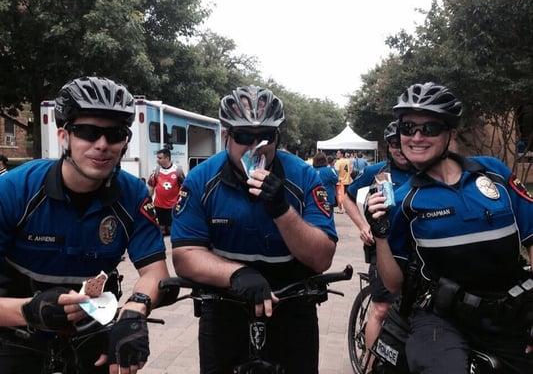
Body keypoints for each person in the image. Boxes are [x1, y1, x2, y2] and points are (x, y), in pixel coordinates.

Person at [0, 76, 170, 374]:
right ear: (64, 136)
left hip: (91, 334)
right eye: (88, 132)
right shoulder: (15, 190)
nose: (102, 145)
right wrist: (29, 310)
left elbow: (155, 272)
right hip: (16, 335)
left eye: (115, 134)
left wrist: (134, 311)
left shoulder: (133, 195)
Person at [366, 82, 533, 373]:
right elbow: (393, 285)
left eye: (429, 128)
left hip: (507, 313)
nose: (417, 137)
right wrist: (380, 235)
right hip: (440, 321)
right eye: (407, 128)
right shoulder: (404, 200)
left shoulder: (494, 173)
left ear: (450, 134)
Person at [171, 85, 337, 374]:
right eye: (243, 136)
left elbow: (322, 258)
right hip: (225, 301)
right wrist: (235, 273)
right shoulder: (200, 179)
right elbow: (184, 254)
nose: (255, 146)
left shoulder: (304, 176)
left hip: (291, 301)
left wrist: (282, 210)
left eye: (265, 137)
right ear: (227, 136)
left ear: (278, 138)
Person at [344, 120, 413, 360]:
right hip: (384, 249)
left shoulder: (424, 170)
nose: (398, 149)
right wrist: (363, 226)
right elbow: (347, 197)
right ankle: (372, 364)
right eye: (393, 144)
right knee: (382, 308)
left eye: (400, 142)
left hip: (414, 251)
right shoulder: (379, 171)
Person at [148, 148, 185, 235]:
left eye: (160, 158)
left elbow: (184, 188)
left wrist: (181, 203)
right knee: (161, 230)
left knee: (171, 230)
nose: (157, 160)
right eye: (157, 158)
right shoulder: (156, 170)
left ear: (167, 158)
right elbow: (151, 187)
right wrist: (148, 200)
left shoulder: (177, 170)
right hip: (158, 205)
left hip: (172, 206)